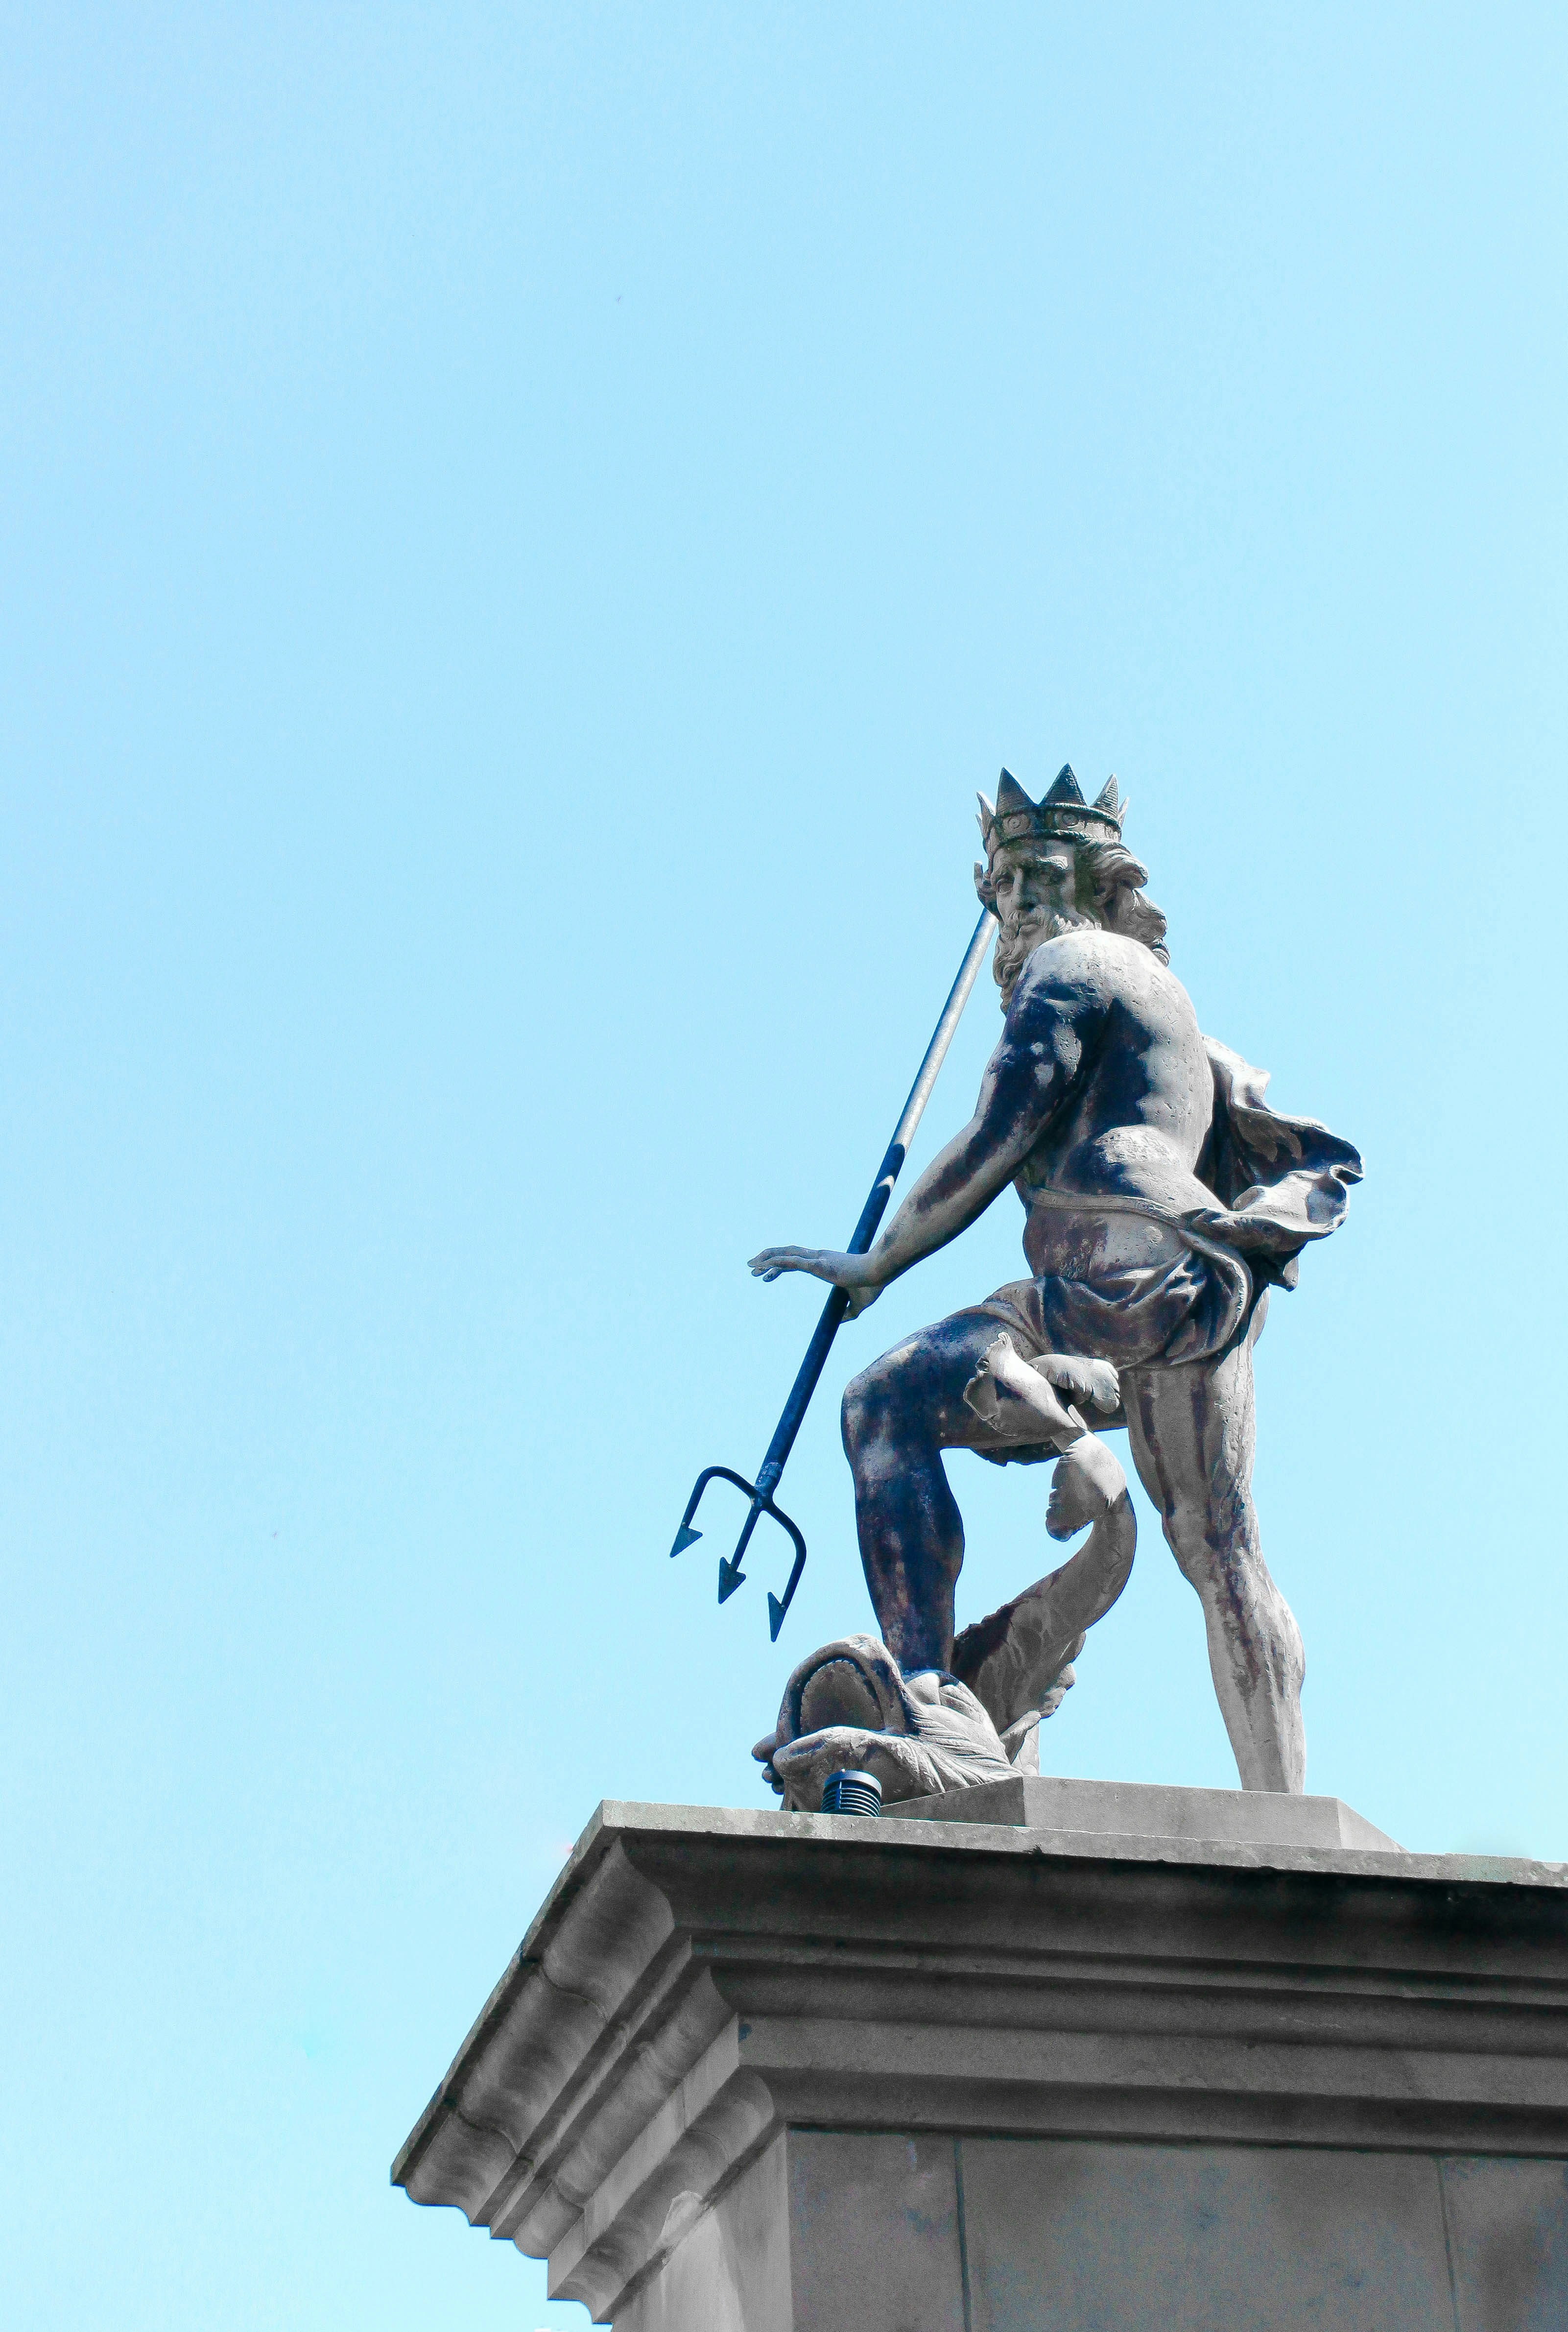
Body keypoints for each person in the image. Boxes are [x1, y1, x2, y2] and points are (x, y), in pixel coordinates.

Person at [750, 766, 1361, 1793]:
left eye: (1039, 878)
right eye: (1001, 888)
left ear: (1098, 885)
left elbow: (999, 1133)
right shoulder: (1163, 1004)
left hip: (1122, 1271)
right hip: (1153, 1287)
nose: (1018, 907)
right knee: (1216, 1547)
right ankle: (1276, 1800)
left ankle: (939, 1697)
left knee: (890, 1405)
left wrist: (879, 1261)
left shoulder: (1079, 962)